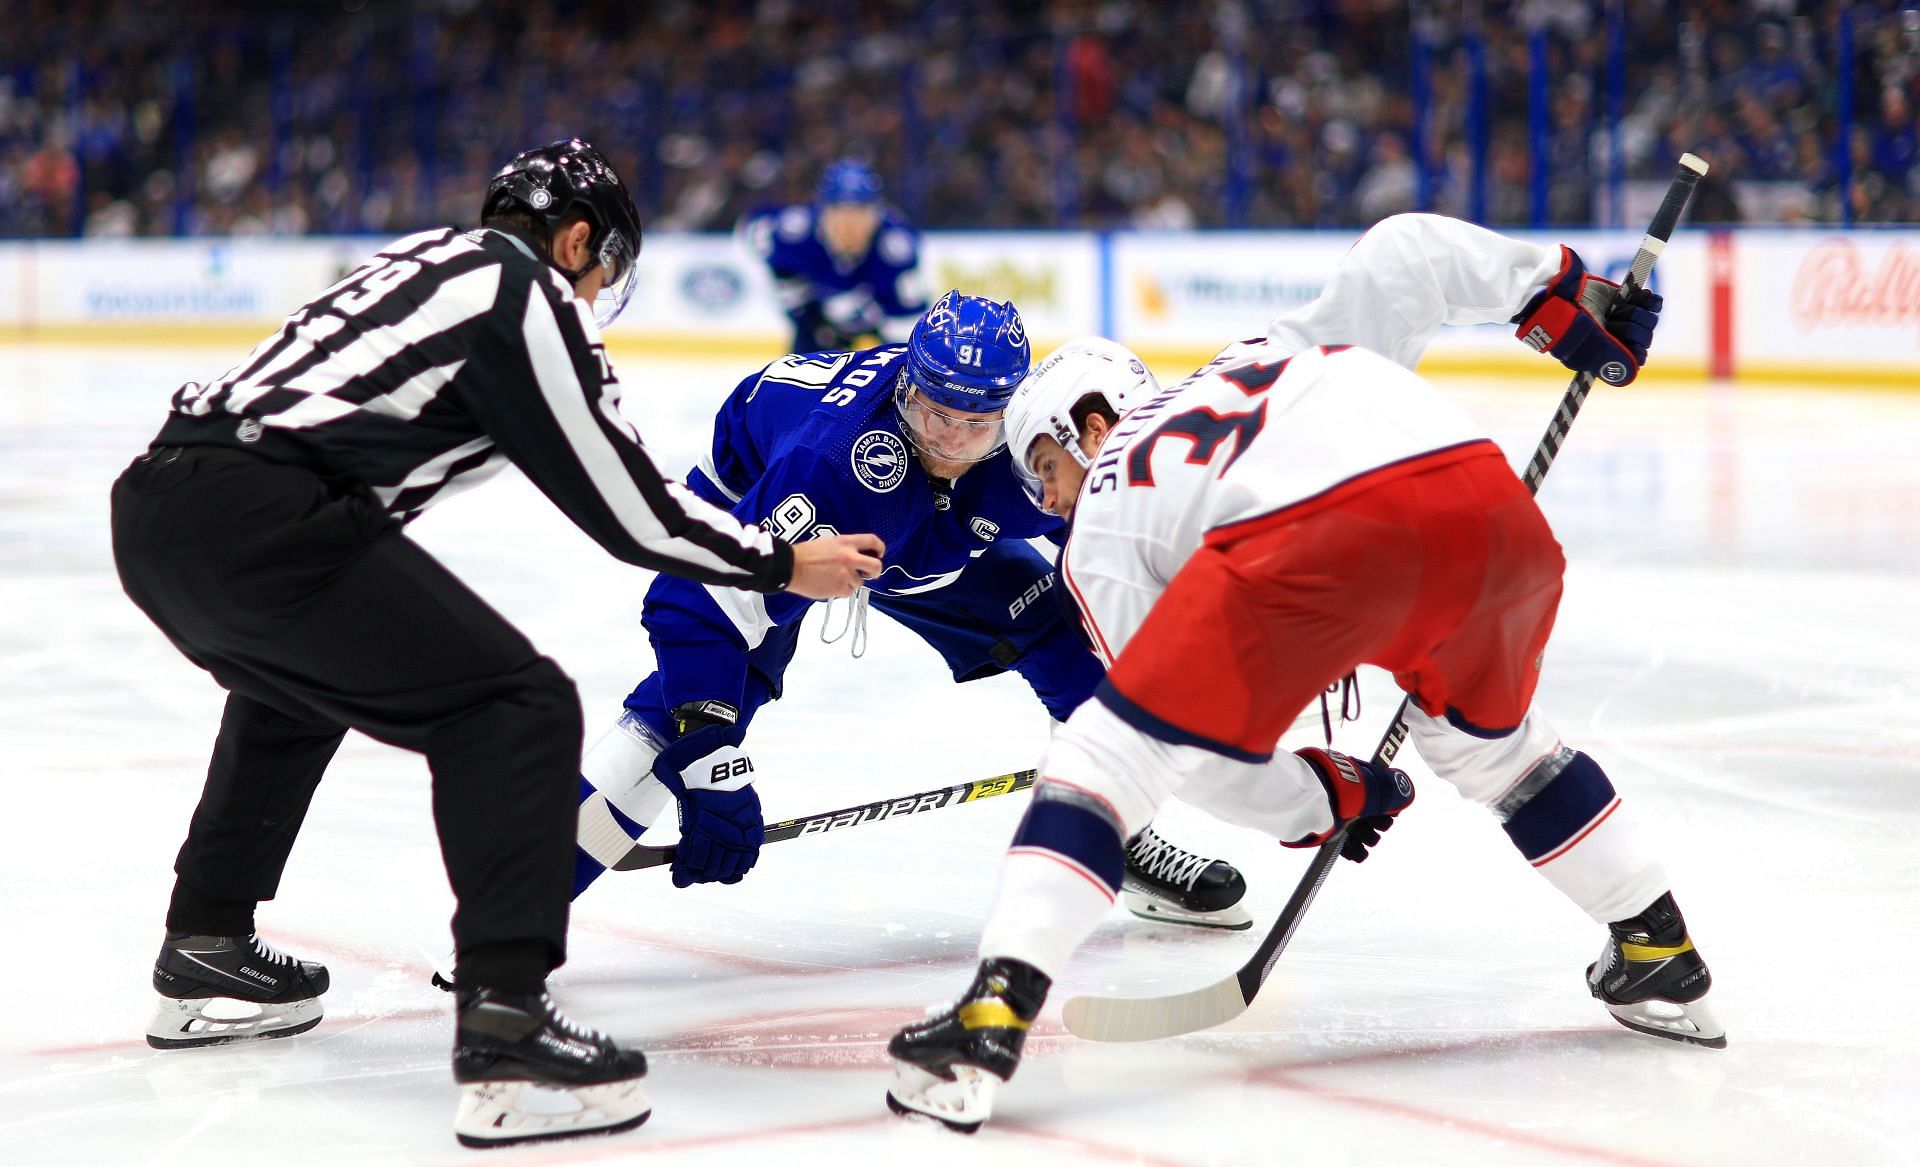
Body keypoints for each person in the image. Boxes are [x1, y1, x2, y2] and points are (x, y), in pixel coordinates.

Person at [109, 138, 885, 1150]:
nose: (600, 295)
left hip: (162, 506)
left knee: (292, 692)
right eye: (605, 270)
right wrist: (783, 565)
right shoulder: (527, 295)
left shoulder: (429, 259)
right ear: (575, 241)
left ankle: (206, 944)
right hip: (261, 517)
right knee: (518, 706)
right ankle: (508, 1022)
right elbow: (631, 510)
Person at [886, 213, 1725, 1133]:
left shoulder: (1108, 521)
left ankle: (993, 1008)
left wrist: (1320, 797)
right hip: (1488, 518)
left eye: (1042, 465)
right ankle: (1657, 943)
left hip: (1315, 549)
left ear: (1092, 424)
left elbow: (1190, 756)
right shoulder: (1272, 351)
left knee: (1104, 753)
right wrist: (1558, 288)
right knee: (1496, 750)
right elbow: (1406, 255)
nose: (1042, 499)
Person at [566, 289, 1252, 930]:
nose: (949, 442)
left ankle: (1118, 832)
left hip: (929, 542)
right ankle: (519, 911)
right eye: (934, 414)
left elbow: (1106, 543)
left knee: (1064, 633)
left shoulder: (1031, 438)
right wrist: (706, 748)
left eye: (976, 425)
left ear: (1012, 414)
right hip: (771, 505)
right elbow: (698, 598)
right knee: (692, 704)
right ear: (906, 388)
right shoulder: (832, 460)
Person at [741, 159, 929, 355]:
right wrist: (800, 304)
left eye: (859, 214)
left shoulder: (896, 250)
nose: (849, 227)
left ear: (877, 214)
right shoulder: (793, 235)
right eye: (839, 215)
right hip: (821, 316)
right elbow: (750, 231)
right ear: (821, 213)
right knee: (803, 372)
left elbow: (905, 328)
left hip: (880, 314)